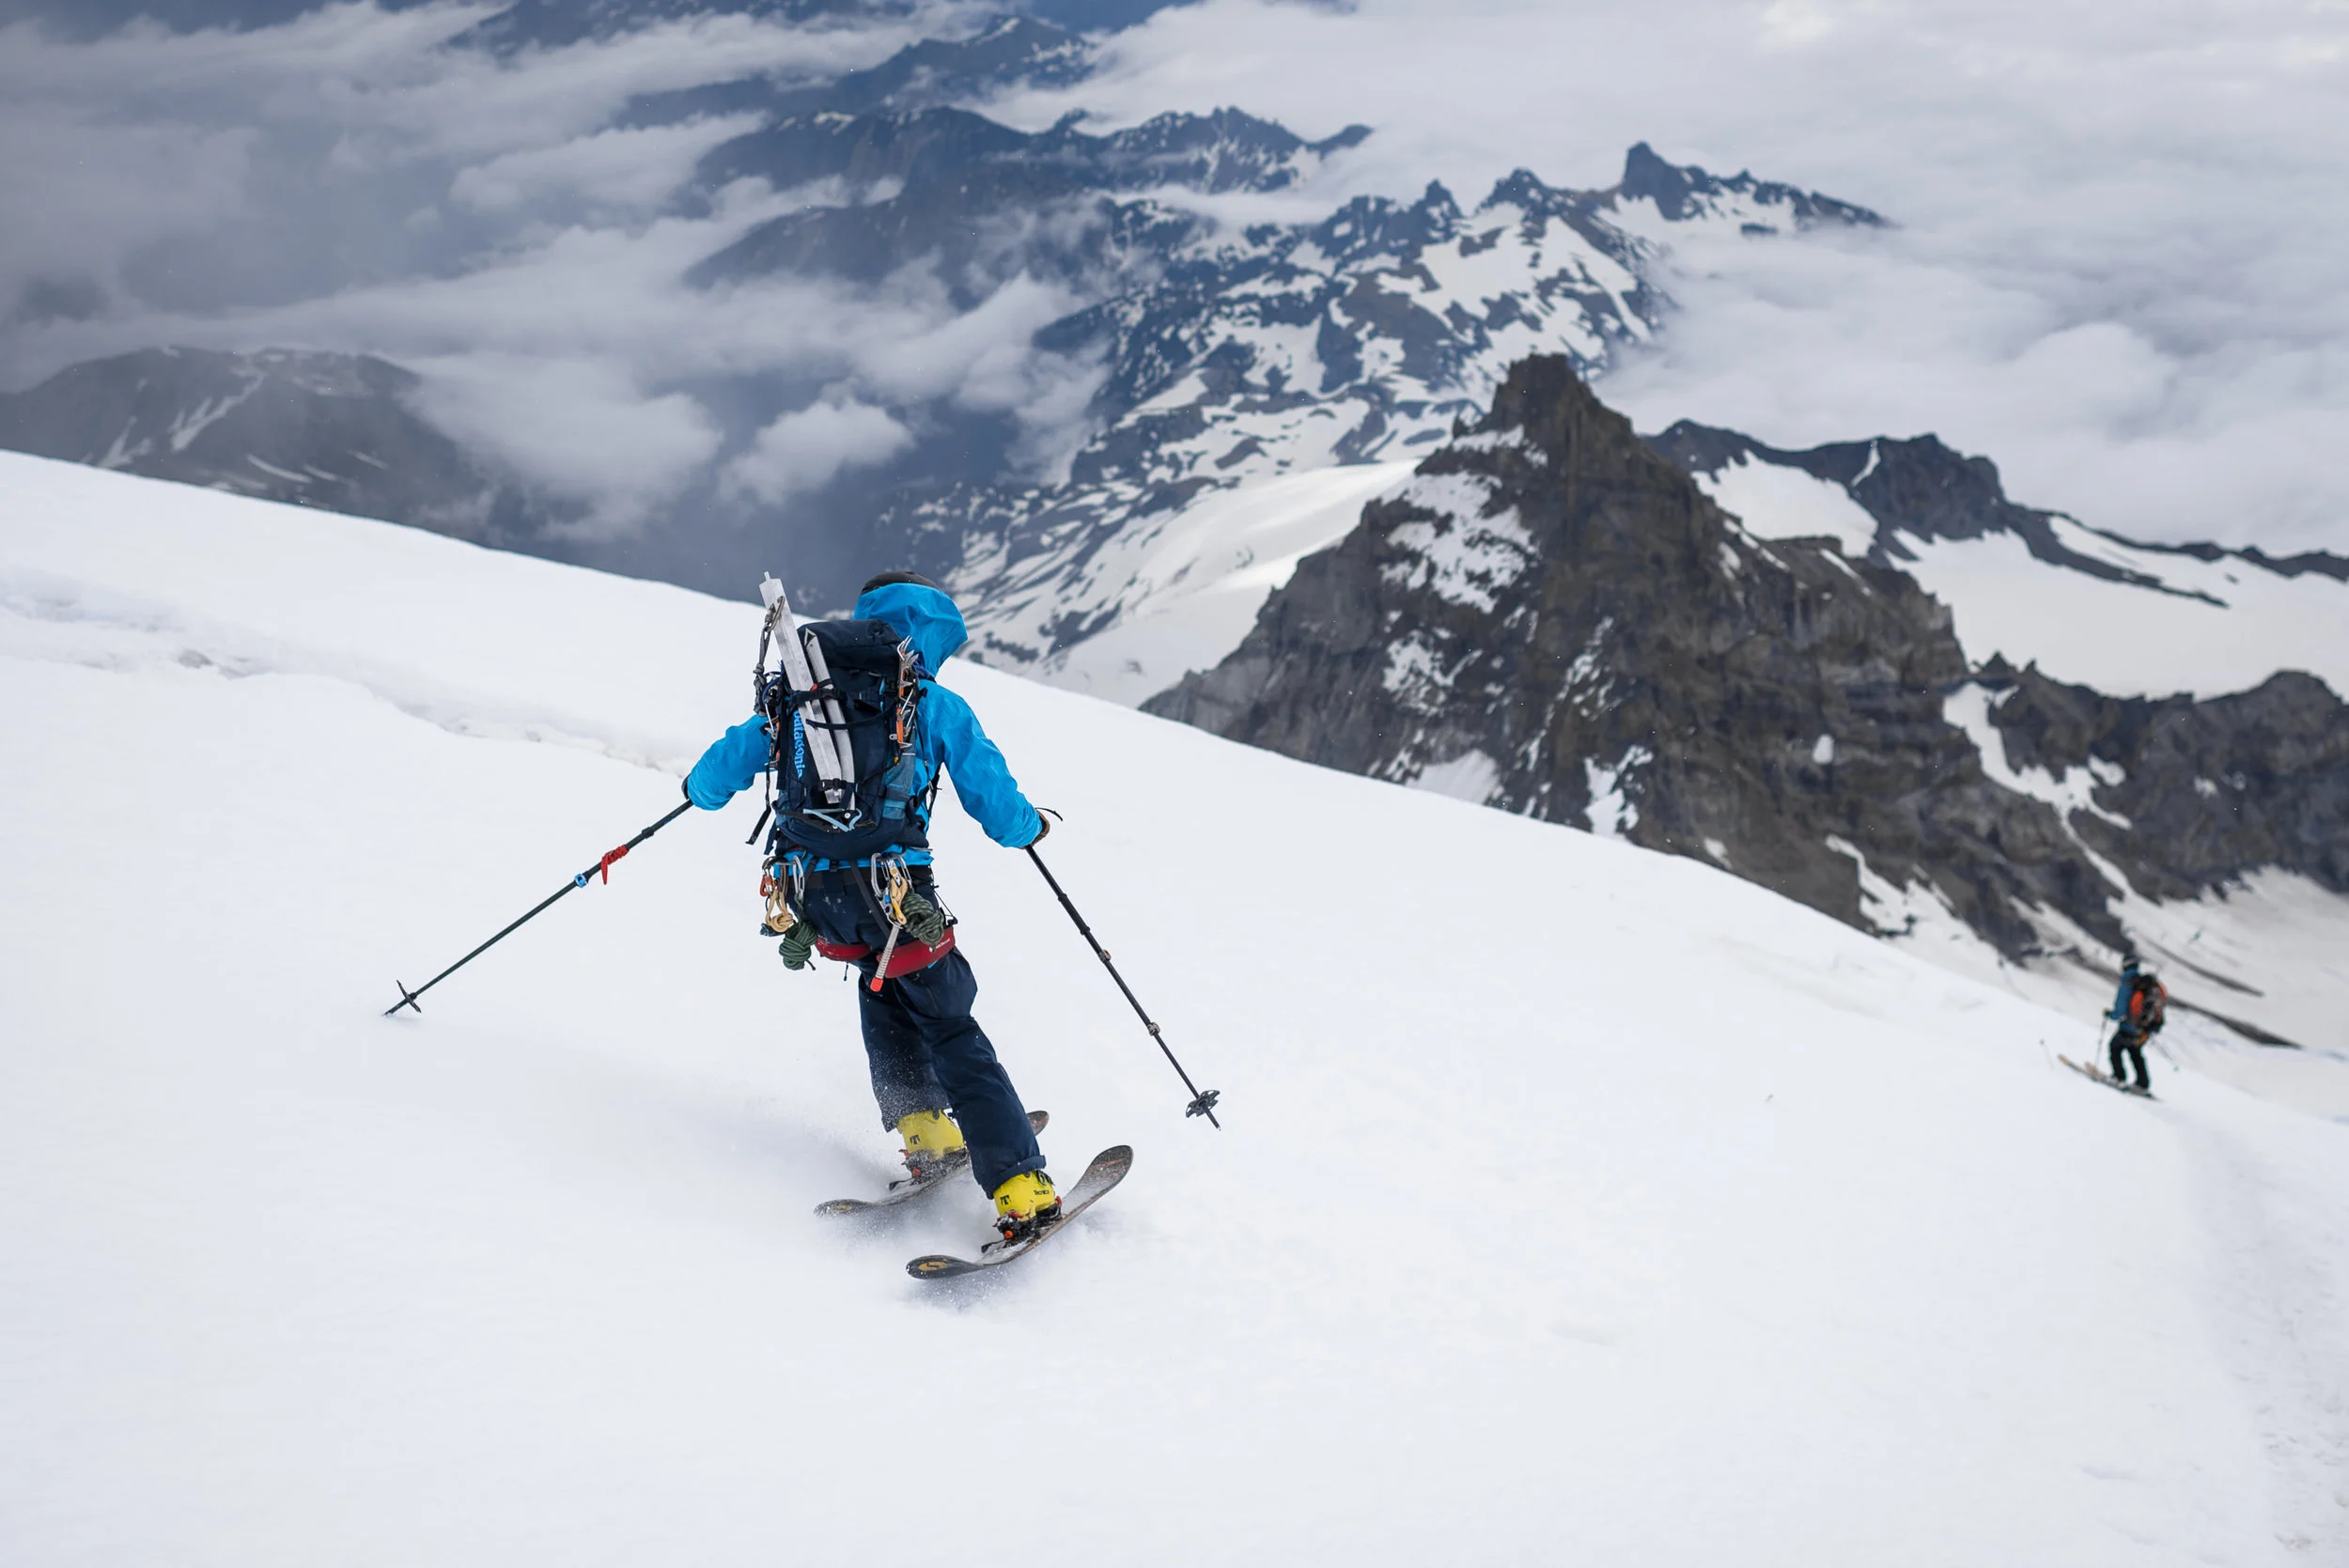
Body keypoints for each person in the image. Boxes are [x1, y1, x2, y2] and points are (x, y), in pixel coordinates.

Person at [682, 571, 1059, 1235]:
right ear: (932, 633)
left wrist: (697, 786)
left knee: (880, 984)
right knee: (948, 1020)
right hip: (897, 895)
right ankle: (1022, 1187)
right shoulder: (930, 700)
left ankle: (924, 1131)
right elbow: (1000, 812)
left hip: (816, 903)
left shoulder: (802, 695)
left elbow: (714, 779)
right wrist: (1035, 826)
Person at [2106, 955, 2167, 1093]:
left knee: (2115, 1048)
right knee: (2135, 1052)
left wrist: (2110, 1014)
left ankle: (2118, 1077)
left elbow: (2120, 1012)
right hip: (2143, 1030)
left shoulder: (2127, 984)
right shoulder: (2143, 984)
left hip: (2129, 1027)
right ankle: (2142, 1083)